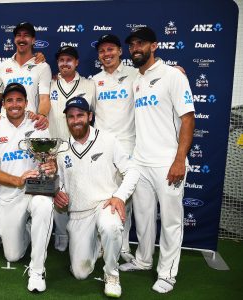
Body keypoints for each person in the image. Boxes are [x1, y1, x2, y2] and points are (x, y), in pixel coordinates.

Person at [118, 27, 195, 294]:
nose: (135, 48)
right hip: (140, 160)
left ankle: (167, 273)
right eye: (132, 45)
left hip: (167, 162)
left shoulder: (172, 75)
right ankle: (142, 260)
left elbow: (188, 118)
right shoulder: (135, 79)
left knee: (172, 220)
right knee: (143, 216)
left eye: (141, 43)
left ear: (154, 46)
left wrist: (179, 160)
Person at [54, 96, 139, 298]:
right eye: (71, 116)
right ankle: (97, 244)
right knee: (80, 273)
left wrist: (119, 196)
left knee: (110, 226)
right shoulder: (61, 149)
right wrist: (58, 193)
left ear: (90, 116)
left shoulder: (108, 140)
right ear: (66, 120)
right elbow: (62, 182)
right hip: (79, 213)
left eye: (80, 115)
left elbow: (133, 170)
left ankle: (112, 274)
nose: (76, 120)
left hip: (104, 204)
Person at [0, 83, 55, 293]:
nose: (15, 104)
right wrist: (18, 180)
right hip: (10, 194)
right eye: (10, 100)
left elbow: (50, 159)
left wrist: (52, 165)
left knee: (43, 205)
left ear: (26, 102)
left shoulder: (38, 126)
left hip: (36, 190)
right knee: (12, 256)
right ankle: (28, 228)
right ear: (4, 104)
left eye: (19, 100)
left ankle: (37, 269)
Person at [92, 34, 138, 263]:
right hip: (101, 148)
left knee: (124, 199)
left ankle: (124, 246)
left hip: (127, 146)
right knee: (103, 194)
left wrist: (175, 70)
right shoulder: (95, 80)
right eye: (102, 51)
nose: (106, 54)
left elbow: (155, 76)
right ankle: (102, 243)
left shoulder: (135, 74)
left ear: (120, 51)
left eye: (110, 49)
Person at [48, 45, 95, 252]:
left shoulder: (90, 84)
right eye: (61, 60)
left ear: (76, 62)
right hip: (54, 148)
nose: (65, 63)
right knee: (58, 191)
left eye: (69, 59)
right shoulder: (49, 84)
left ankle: (81, 232)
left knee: (81, 188)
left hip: (82, 146)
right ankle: (61, 233)